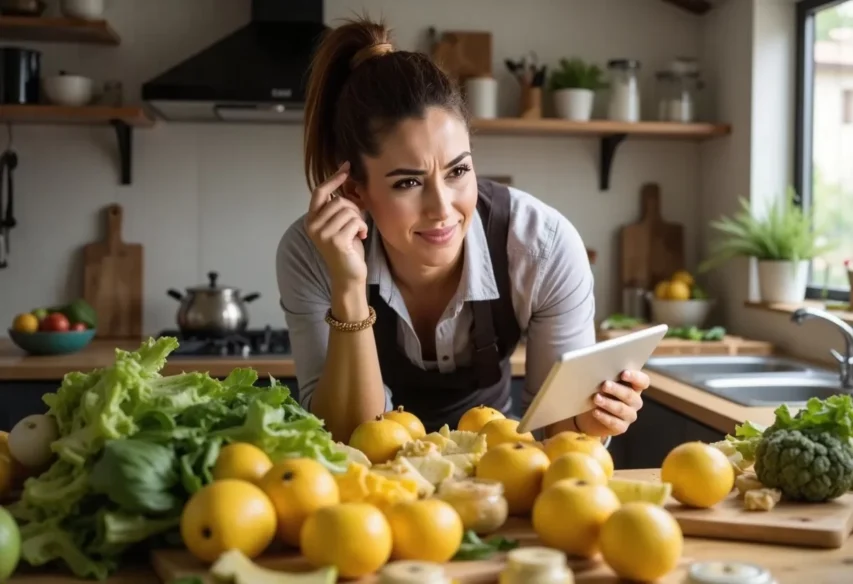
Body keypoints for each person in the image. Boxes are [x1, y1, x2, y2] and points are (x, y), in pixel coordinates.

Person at [276, 16, 650, 443]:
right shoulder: (310, 254)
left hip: (498, 468)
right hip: (373, 490)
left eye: (458, 171)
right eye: (408, 182)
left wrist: (591, 421)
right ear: (355, 190)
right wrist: (349, 287)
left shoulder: (541, 246)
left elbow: (556, 434)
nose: (442, 208)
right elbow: (344, 439)